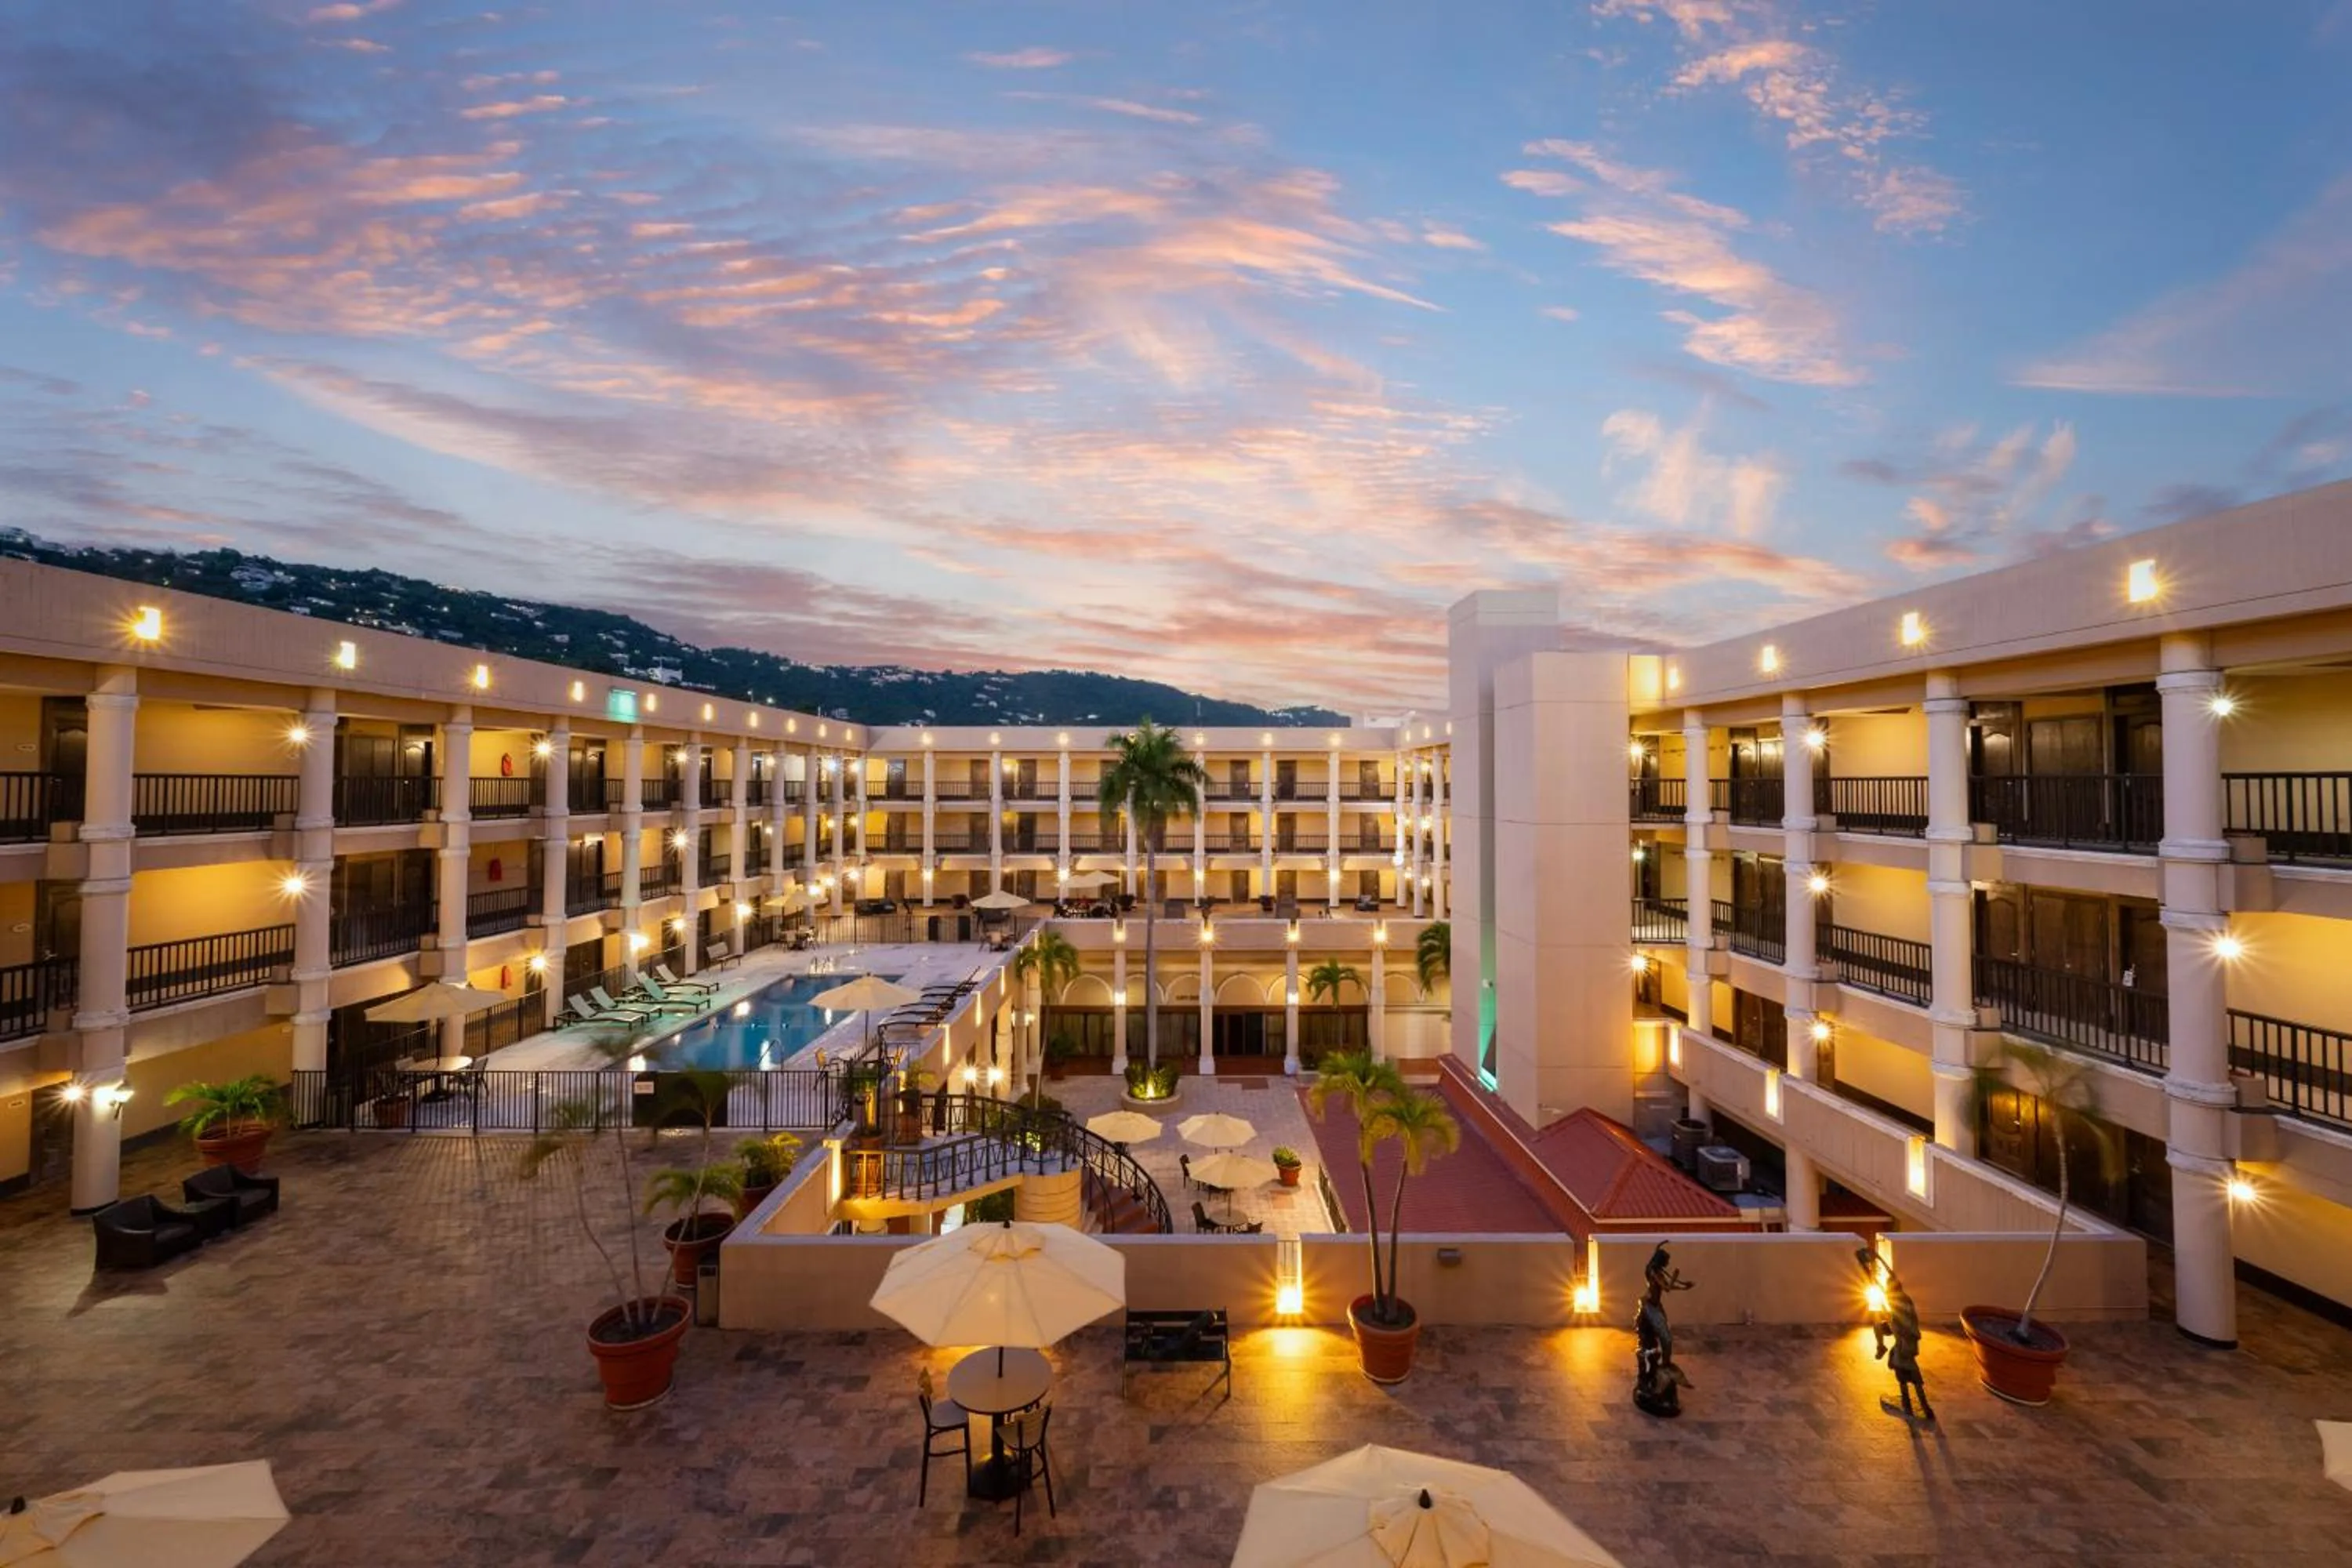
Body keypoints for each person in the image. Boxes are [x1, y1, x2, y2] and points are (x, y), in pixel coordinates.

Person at [1857, 1246, 1936, 1428]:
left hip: (1904, 1345)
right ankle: (1922, 1407)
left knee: (1905, 1376)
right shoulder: (1904, 1300)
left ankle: (1912, 1405)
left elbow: (1899, 1323)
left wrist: (1889, 1326)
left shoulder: (1898, 1303)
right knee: (1911, 1376)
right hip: (1907, 1343)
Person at [1632, 1242, 1696, 1417]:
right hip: (1650, 1308)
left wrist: (1683, 1286)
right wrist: (1677, 1280)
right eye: (1666, 1261)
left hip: (1656, 1307)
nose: (1668, 1265)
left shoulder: (1657, 1271)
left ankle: (1664, 1366)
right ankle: (1661, 1368)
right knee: (1664, 1339)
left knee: (1666, 1339)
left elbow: (1667, 1286)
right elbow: (1666, 1287)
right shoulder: (1653, 1272)